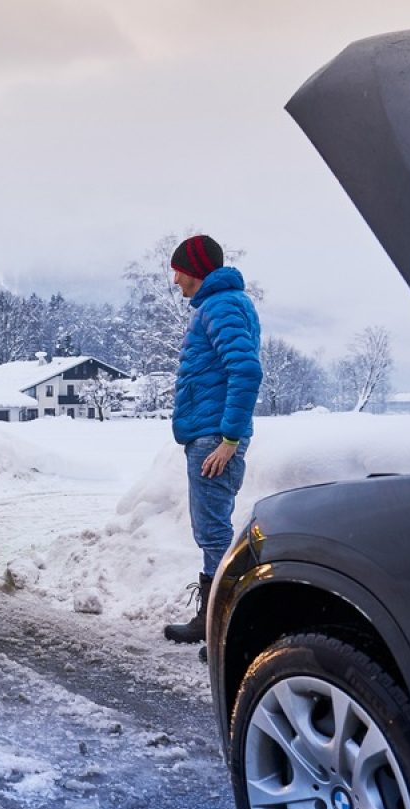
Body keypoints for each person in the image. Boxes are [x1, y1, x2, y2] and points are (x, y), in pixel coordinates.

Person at [161, 235, 261, 648]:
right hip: (209, 435)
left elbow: (246, 372)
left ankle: (228, 630)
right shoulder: (222, 305)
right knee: (212, 532)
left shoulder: (220, 306)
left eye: (179, 270)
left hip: (214, 439)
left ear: (196, 269)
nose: (176, 279)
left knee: (215, 534)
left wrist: (229, 440)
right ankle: (214, 620)